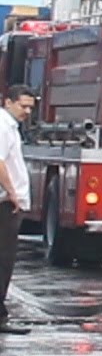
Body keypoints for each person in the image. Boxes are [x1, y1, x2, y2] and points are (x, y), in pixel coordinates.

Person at [0, 84, 36, 336]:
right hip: (5, 203)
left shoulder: (10, 127)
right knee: (4, 260)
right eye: (22, 105)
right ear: (8, 102)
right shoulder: (3, 126)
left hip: (8, 201)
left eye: (30, 107)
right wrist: (11, 192)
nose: (26, 111)